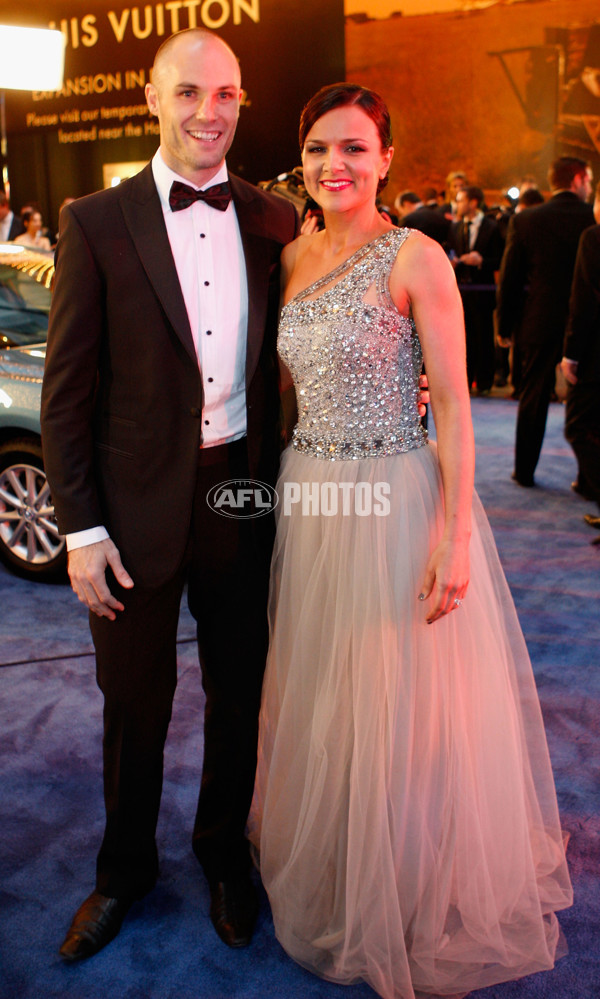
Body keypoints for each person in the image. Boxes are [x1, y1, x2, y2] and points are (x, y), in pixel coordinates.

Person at [248, 83, 572, 999]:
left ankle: (409, 881)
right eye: (317, 149)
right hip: (310, 494)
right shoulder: (291, 255)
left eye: (353, 148)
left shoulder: (417, 255)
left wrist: (455, 535)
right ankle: (344, 863)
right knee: (326, 683)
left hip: (395, 491)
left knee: (402, 695)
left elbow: (460, 411)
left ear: (386, 158)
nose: (332, 166)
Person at [40, 28, 299, 962]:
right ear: (153, 98)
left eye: (226, 94)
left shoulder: (276, 221)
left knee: (239, 690)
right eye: (189, 92)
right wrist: (82, 528)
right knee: (133, 698)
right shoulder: (95, 222)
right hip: (130, 506)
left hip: (240, 493)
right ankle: (123, 870)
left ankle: (225, 854)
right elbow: (64, 397)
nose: (209, 113)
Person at [496, 155, 594, 487]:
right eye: (590, 181)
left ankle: (524, 471)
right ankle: (587, 477)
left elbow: (509, 278)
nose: (591, 187)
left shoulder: (527, 221)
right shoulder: (591, 220)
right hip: (589, 326)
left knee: (533, 396)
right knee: (586, 401)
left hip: (539, 320)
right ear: (578, 180)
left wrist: (504, 326)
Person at [561, 179, 600, 544]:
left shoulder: (594, 237)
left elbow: (584, 300)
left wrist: (571, 353)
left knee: (577, 426)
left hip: (596, 355)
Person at [447, 185, 504, 395]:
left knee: (484, 336)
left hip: (483, 290)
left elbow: (501, 259)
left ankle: (485, 382)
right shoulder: (454, 227)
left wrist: (481, 262)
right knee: (464, 337)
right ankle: (466, 380)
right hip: (461, 291)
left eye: (461, 200)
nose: (457, 204)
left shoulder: (492, 227)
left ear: (473, 202)